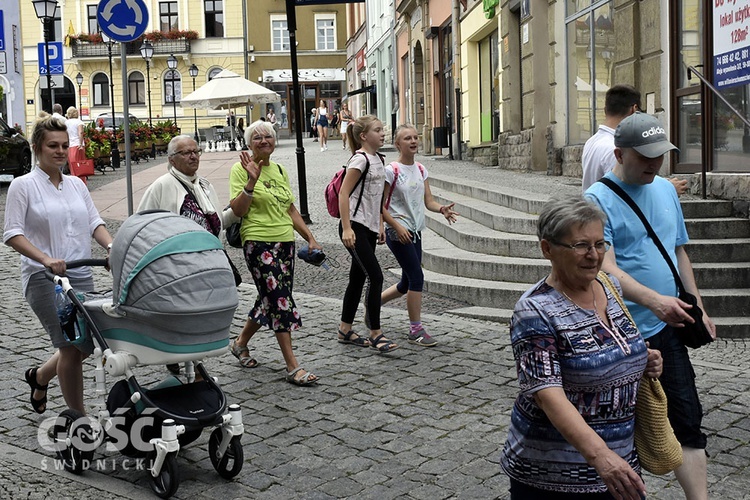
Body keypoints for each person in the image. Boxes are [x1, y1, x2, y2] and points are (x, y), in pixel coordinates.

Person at [585, 111, 716, 500]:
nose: (655, 164)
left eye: (660, 155)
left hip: (668, 328)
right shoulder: (597, 199)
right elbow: (604, 267)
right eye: (645, 156)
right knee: (612, 428)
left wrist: (699, 306)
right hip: (618, 332)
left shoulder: (664, 189)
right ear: (619, 153)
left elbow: (679, 251)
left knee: (687, 420)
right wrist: (654, 301)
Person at [500, 196, 663, 499]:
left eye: (600, 244)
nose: (594, 255)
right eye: (580, 246)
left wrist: (645, 361)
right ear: (547, 248)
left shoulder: (607, 286)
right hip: (554, 477)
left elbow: (617, 344)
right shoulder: (535, 311)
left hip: (621, 468)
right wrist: (600, 457)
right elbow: (549, 396)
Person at [4, 116, 114, 415]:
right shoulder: (22, 186)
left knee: (81, 345)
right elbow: (12, 233)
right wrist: (45, 258)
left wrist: (112, 248)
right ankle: (79, 418)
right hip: (44, 278)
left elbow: (95, 222)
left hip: (81, 273)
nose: (60, 151)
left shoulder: (77, 185)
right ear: (37, 147)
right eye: (53, 145)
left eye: (65, 145)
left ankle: (39, 377)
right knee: (69, 346)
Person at [228, 120, 322, 386]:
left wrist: (311, 237)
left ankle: (240, 343)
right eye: (256, 137)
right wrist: (251, 181)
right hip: (258, 242)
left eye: (267, 136)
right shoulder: (239, 169)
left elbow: (290, 209)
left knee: (270, 298)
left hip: (285, 242)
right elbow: (238, 210)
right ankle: (293, 367)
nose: (263, 140)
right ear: (249, 143)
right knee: (280, 300)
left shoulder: (280, 170)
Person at [138, 135, 240, 374]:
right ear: (172, 160)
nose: (193, 156)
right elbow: (143, 223)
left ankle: (191, 361)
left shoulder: (204, 185)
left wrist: (238, 211)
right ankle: (186, 363)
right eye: (186, 153)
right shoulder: (162, 185)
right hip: (178, 267)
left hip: (206, 264)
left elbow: (215, 223)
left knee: (200, 316)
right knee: (182, 314)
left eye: (196, 151)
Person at [380, 124, 459, 346]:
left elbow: (428, 201)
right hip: (399, 231)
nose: (413, 141)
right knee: (417, 277)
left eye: (415, 137)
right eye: (407, 138)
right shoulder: (391, 170)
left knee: (406, 282)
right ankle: (416, 330)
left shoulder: (421, 169)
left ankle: (373, 305)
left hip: (415, 230)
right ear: (397, 144)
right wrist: (396, 226)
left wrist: (442, 209)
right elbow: (380, 205)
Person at [336, 115, 399, 353]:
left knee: (358, 278)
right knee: (376, 276)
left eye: (383, 130)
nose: (383, 134)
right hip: (354, 225)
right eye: (378, 130)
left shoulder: (378, 159)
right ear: (364, 136)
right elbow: (344, 193)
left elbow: (377, 199)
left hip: (369, 226)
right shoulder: (359, 160)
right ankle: (375, 333)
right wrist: (347, 228)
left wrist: (380, 225)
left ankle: (345, 329)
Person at [582, 84, 688, 195]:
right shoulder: (617, 147)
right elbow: (627, 187)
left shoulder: (592, 141)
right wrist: (668, 189)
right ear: (634, 109)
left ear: (605, 110)